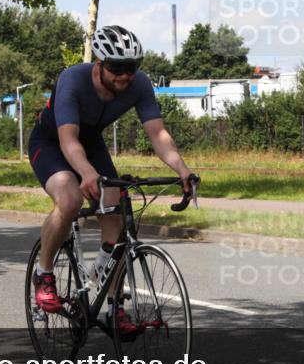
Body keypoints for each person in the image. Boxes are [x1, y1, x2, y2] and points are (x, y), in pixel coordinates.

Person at [27, 25, 195, 327]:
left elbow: (157, 133)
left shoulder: (139, 84)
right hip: (51, 142)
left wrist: (182, 170)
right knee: (70, 198)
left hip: (91, 144)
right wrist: (86, 172)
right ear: (99, 64)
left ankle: (114, 306)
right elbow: (68, 140)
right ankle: (44, 273)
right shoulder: (73, 80)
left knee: (117, 223)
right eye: (117, 68)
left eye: (131, 67)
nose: (124, 76)